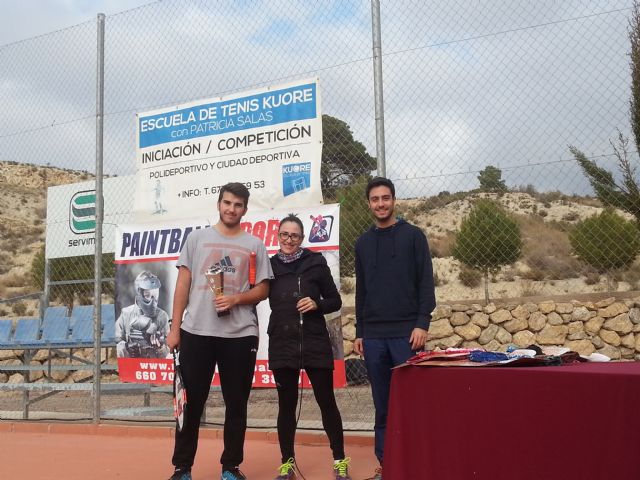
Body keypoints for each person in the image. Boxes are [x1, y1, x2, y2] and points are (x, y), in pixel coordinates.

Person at [166, 182, 273, 480]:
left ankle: (230, 467)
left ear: (245, 210)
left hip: (240, 335)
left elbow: (263, 289)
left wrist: (236, 299)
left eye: (238, 205)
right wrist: (175, 329)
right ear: (218, 204)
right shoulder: (196, 239)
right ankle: (182, 468)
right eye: (227, 203)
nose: (231, 209)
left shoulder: (255, 244)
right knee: (190, 404)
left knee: (236, 404)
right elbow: (183, 285)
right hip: (196, 332)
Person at [354, 177, 436, 480]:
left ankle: (416, 463)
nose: (381, 204)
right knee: (383, 405)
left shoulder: (414, 236)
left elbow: (426, 283)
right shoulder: (362, 243)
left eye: (385, 198)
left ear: (394, 200)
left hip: (407, 335)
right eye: (375, 199)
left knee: (413, 402)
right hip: (374, 337)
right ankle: (386, 463)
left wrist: (422, 323)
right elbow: (361, 291)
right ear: (369, 204)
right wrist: (360, 331)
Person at [267, 214, 351, 480]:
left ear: (302, 238)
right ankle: (287, 464)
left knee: (326, 402)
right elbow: (254, 293)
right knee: (286, 406)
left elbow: (335, 300)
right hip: (282, 342)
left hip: (314, 340)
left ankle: (339, 460)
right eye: (284, 234)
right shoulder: (269, 266)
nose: (289, 240)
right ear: (277, 236)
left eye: (294, 235)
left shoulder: (316, 262)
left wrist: (317, 304)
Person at [115, 270, 170, 358]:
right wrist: (126, 348)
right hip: (131, 364)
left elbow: (170, 353)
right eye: (147, 295)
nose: (153, 300)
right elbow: (115, 343)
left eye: (155, 295)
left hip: (153, 364)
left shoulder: (162, 316)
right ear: (138, 293)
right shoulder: (126, 314)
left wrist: (160, 348)